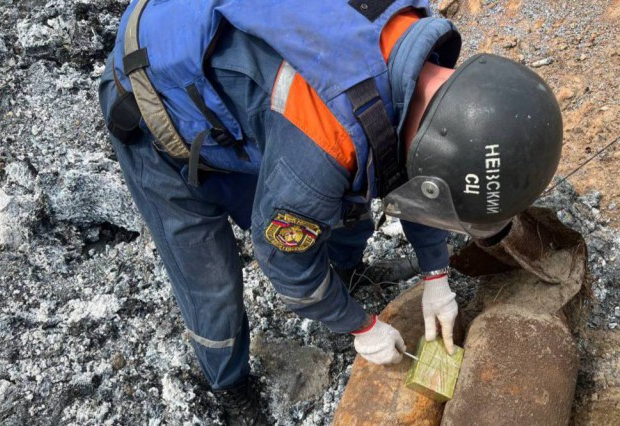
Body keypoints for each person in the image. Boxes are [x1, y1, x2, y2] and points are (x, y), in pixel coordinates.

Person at [98, 1, 562, 424]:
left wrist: (435, 272)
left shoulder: (417, 48)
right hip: (154, 101)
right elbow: (283, 263)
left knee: (349, 192)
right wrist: (359, 325)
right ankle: (229, 385)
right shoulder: (324, 144)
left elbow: (410, 158)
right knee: (211, 283)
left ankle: (343, 272)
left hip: (254, 90)